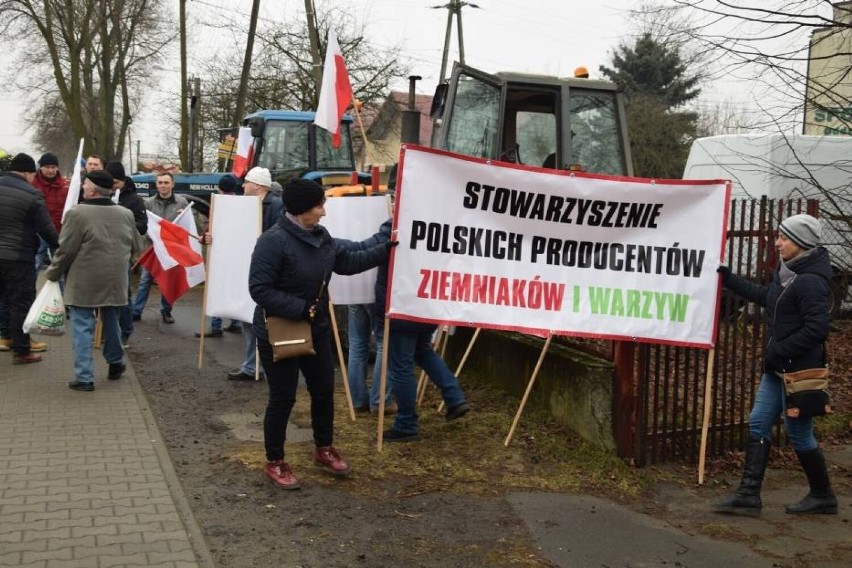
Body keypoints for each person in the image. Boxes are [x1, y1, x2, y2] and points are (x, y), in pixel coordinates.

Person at [249, 178, 393, 489]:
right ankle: (275, 461)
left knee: (324, 392)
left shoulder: (321, 237)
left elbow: (350, 260)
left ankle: (324, 448)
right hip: (279, 329)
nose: (324, 212)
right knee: (283, 398)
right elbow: (259, 289)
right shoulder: (272, 242)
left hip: (317, 329)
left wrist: (388, 250)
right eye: (318, 206)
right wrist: (302, 309)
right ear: (301, 210)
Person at [713, 213, 837, 516]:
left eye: (783, 238)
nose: (777, 243)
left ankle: (823, 496)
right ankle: (748, 495)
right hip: (778, 367)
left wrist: (779, 352)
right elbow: (766, 297)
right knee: (758, 422)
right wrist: (728, 278)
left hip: (797, 371)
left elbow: (817, 328)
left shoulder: (809, 281)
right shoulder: (789, 273)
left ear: (801, 242)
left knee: (798, 433)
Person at [373, 218, 469, 442]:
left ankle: (406, 423)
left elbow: (371, 249)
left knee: (401, 366)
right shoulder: (443, 224)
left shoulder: (396, 226)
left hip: (402, 305)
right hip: (428, 302)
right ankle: (454, 396)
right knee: (423, 351)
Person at [45, 169, 140, 391]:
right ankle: (116, 363)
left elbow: (65, 251)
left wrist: (52, 274)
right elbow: (137, 246)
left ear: (92, 188)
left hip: (84, 279)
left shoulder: (77, 213)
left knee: (82, 327)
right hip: (115, 278)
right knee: (112, 323)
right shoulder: (125, 214)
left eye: (85, 183)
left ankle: (85, 377)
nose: (83, 187)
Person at [225, 167, 284, 380]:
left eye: (246, 182)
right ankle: (251, 366)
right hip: (247, 269)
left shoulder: (276, 206)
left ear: (257, 185)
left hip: (267, 273)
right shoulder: (243, 205)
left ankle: (269, 367)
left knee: (265, 321)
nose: (242, 186)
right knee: (248, 319)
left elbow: (277, 238)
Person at [0, 153, 59, 363]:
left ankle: (5, 338)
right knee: (20, 303)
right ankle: (22, 351)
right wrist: (61, 247)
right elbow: (47, 230)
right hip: (18, 257)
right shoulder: (32, 194)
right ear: (27, 173)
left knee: (3, 299)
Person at [131, 172, 189, 324]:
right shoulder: (148, 203)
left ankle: (166, 311)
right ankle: (136, 311)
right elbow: (144, 224)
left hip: (170, 250)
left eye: (166, 182)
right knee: (145, 281)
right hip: (152, 248)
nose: (163, 185)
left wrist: (186, 215)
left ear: (172, 184)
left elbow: (189, 224)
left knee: (167, 281)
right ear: (156, 185)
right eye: (160, 182)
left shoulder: (182, 203)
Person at [105, 161, 148, 347]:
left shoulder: (135, 200)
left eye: (115, 183)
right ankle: (106, 332)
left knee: (123, 295)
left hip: (123, 252)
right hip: (102, 253)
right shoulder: (103, 195)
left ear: (122, 181)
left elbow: (142, 225)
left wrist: (123, 226)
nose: (112, 186)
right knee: (103, 295)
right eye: (109, 183)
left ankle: (125, 332)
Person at [31, 152, 69, 271]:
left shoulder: (65, 186)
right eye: (47, 167)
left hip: (58, 232)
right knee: (35, 265)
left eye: (54, 167)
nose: (51, 170)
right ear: (41, 167)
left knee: (60, 268)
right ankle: (30, 289)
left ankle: (63, 290)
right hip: (38, 233)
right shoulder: (32, 185)